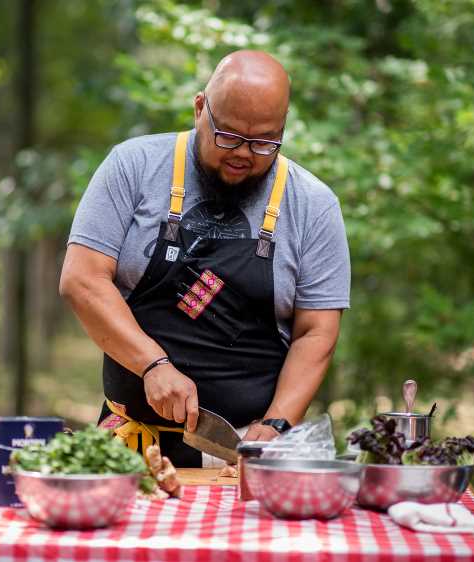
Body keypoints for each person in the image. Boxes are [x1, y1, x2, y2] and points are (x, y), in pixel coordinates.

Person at [59, 50, 350, 467]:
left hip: (243, 453)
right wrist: (152, 364)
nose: (244, 154)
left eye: (264, 141)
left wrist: (276, 427)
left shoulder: (313, 206)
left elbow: (316, 333)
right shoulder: (133, 167)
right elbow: (82, 281)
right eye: (229, 136)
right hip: (132, 449)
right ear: (199, 108)